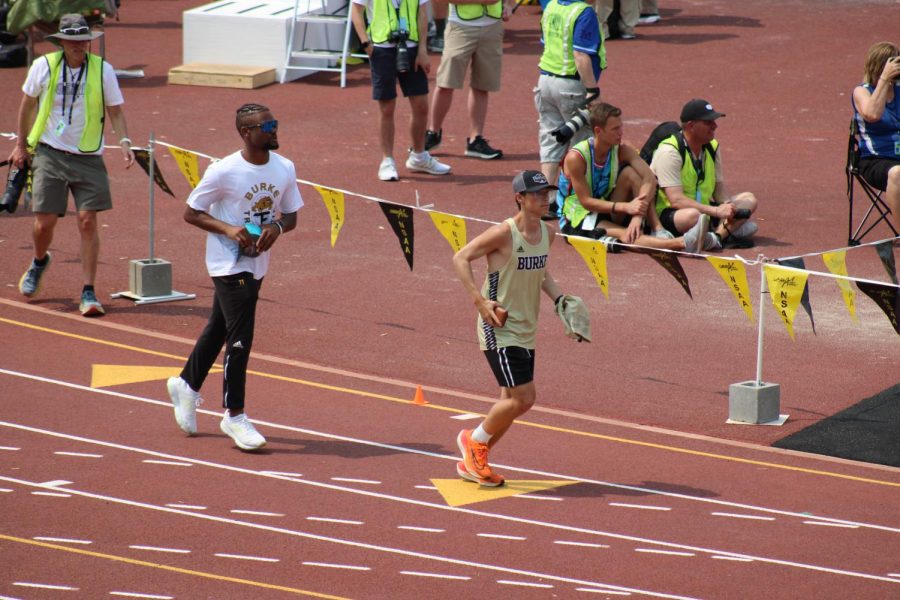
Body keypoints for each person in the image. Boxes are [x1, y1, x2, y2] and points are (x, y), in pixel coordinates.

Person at [167, 103, 303, 451]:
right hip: (227, 264)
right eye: (267, 125)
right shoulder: (223, 171)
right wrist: (228, 229)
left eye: (275, 122)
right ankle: (235, 414)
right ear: (247, 132)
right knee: (240, 337)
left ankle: (186, 383)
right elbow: (192, 212)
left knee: (220, 326)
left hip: (257, 260)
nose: (274, 129)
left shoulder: (284, 168)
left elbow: (290, 217)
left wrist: (274, 227)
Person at [9, 13, 134, 317]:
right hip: (50, 152)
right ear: (62, 42)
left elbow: (115, 111)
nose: (81, 47)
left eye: (84, 41)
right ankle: (40, 261)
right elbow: (27, 104)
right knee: (43, 223)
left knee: (88, 221)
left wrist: (126, 141)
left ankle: (89, 291)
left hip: (89, 156)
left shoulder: (102, 70)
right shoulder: (44, 66)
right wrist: (21, 145)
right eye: (74, 42)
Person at [452, 170, 567, 486]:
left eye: (546, 193)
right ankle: (472, 441)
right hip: (498, 326)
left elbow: (541, 272)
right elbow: (461, 258)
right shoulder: (504, 233)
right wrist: (479, 301)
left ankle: (473, 460)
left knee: (509, 401)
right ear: (520, 198)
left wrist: (560, 300)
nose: (544, 199)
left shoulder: (548, 234)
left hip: (527, 327)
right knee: (523, 398)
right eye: (537, 194)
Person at [558, 102, 709, 252]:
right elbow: (586, 202)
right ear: (598, 131)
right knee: (627, 234)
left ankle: (658, 229)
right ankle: (681, 243)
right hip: (577, 217)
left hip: (606, 206)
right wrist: (627, 207)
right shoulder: (576, 157)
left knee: (631, 174)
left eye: (621, 126)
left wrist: (637, 216)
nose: (621, 132)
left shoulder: (621, 150)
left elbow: (650, 178)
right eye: (615, 129)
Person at [351, 0, 452, 181]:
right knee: (387, 106)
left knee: (421, 104)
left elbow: (422, 13)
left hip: (412, 47)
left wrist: (423, 50)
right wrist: (366, 44)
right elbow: (356, 11)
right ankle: (387, 160)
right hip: (381, 48)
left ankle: (419, 156)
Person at [650, 98, 759, 251]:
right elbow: (676, 200)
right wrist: (716, 211)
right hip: (675, 213)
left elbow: (718, 186)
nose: (715, 126)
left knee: (749, 199)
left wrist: (728, 208)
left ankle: (717, 237)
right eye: (708, 122)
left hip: (705, 210)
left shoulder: (712, 146)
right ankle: (726, 230)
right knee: (693, 217)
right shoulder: (670, 151)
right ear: (691, 126)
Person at [535, 0, 606, 212]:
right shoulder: (583, 12)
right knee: (581, 144)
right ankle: (577, 200)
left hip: (545, 81)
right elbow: (581, 55)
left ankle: (544, 201)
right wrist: (592, 91)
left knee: (551, 140)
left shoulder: (552, 6)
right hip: (571, 86)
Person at [423, 0, 511, 160]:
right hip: (460, 27)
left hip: (493, 27)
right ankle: (433, 133)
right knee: (445, 82)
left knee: (482, 84)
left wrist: (508, 5)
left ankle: (475, 139)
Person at [851, 41, 899, 234]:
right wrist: (884, 80)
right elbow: (872, 114)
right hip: (876, 161)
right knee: (897, 173)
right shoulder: (862, 91)